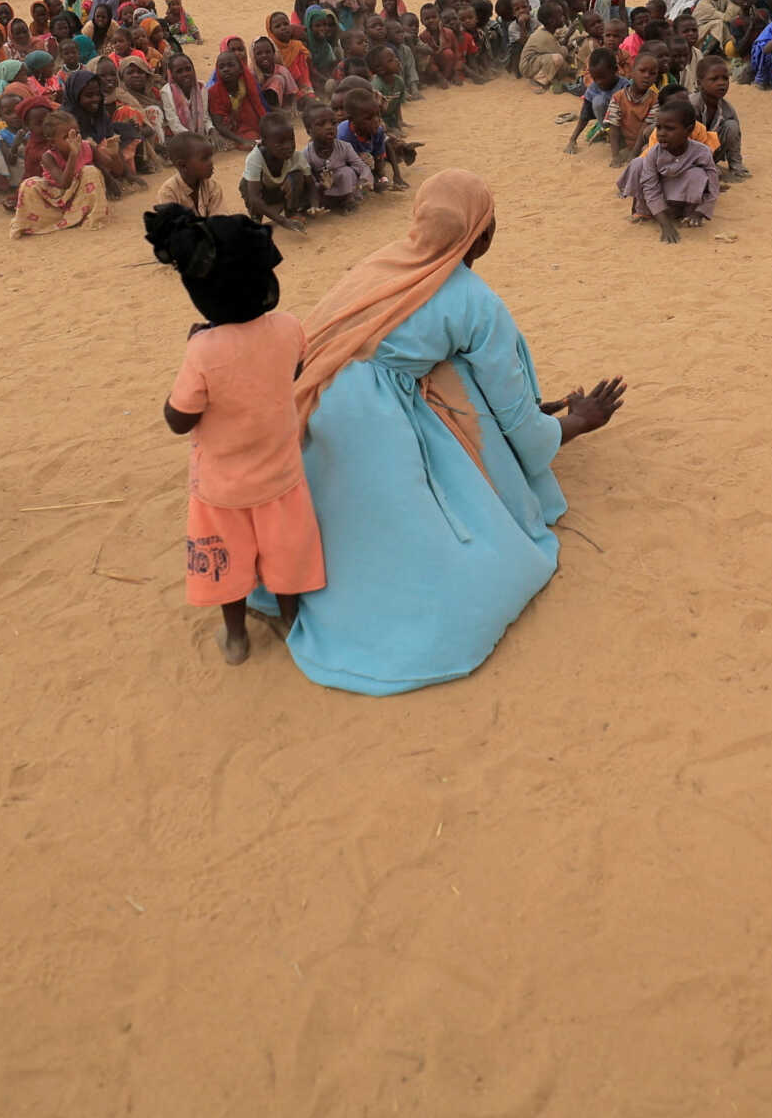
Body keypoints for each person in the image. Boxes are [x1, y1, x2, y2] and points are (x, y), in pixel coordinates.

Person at [268, 171, 624, 695]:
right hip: (372, 424)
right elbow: (515, 419)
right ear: (483, 235)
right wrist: (574, 422)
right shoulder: (475, 301)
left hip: (310, 411)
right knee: (467, 564)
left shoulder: (382, 265)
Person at [146, 204, 324, 665]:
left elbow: (179, 419)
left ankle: (236, 638)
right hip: (281, 474)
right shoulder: (289, 328)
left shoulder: (203, 350)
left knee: (227, 556)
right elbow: (294, 371)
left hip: (222, 485)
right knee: (285, 551)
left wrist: (195, 347)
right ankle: (289, 620)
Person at [618, 94, 722, 242]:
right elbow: (650, 188)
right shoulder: (654, 153)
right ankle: (642, 211)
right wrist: (666, 226)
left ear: (688, 130)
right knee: (638, 163)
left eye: (669, 128)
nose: (661, 134)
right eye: (659, 128)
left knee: (697, 174)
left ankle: (688, 213)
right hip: (657, 196)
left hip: (681, 196)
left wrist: (700, 212)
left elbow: (713, 186)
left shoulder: (702, 152)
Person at [12, 110, 109, 235]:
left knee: (90, 171)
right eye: (66, 137)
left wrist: (109, 150)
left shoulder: (86, 146)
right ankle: (57, 220)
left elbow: (109, 163)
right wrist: (73, 155)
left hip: (79, 197)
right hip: (55, 198)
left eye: (76, 134)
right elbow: (64, 184)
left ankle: (88, 216)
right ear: (52, 142)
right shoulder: (48, 157)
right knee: (29, 184)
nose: (73, 140)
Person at [300, 101, 369, 211]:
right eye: (321, 124)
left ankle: (348, 200)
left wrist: (363, 181)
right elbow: (309, 183)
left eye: (333, 123)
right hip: (323, 191)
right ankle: (324, 204)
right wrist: (322, 186)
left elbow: (361, 166)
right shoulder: (306, 154)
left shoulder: (345, 147)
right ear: (309, 131)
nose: (329, 127)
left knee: (346, 171)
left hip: (345, 188)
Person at [152, 132, 227, 217]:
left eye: (210, 157)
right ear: (183, 165)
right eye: (205, 159)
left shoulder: (212, 186)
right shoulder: (168, 193)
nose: (211, 163)